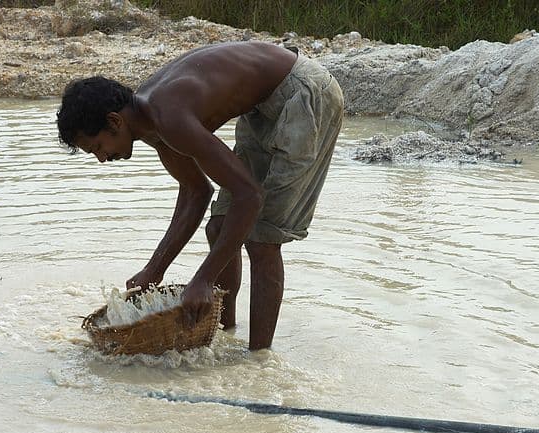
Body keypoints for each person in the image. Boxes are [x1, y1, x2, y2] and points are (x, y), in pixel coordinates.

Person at [57, 41, 343, 350]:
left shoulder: (169, 117)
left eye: (98, 147)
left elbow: (249, 196)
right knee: (218, 227)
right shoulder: (149, 122)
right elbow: (196, 191)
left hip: (304, 94)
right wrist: (154, 269)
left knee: (262, 239)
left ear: (114, 121)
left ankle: (258, 360)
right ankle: (221, 334)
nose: (102, 158)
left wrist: (204, 279)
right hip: (264, 106)